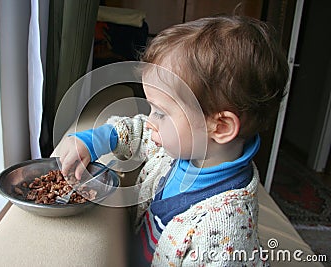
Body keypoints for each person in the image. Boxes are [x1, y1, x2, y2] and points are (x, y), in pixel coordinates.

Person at [52, 15, 289, 266]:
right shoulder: (181, 148)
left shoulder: (221, 234)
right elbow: (140, 132)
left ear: (220, 127)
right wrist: (94, 140)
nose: (149, 120)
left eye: (161, 113)